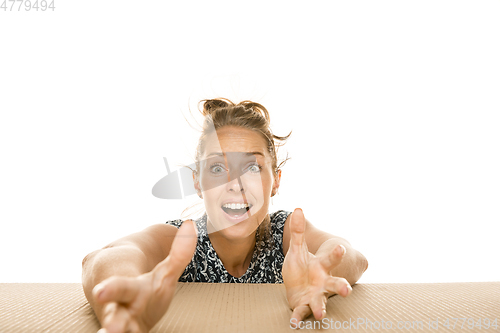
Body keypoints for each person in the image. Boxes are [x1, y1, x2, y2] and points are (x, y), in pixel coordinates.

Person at [82, 98, 369, 333]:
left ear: (276, 181)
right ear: (197, 182)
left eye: (252, 168)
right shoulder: (182, 240)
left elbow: (350, 255)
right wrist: (126, 295)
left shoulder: (287, 235)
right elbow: (107, 257)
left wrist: (321, 270)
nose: (235, 183)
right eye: (218, 168)